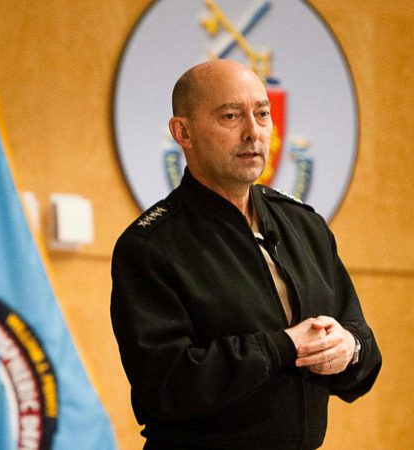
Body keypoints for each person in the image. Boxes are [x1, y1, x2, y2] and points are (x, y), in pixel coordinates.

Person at [110, 59, 381, 449]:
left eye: (262, 114)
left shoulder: (305, 226)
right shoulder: (150, 246)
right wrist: (283, 346)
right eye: (231, 116)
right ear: (183, 132)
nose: (254, 132)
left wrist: (349, 349)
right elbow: (166, 384)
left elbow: (362, 342)